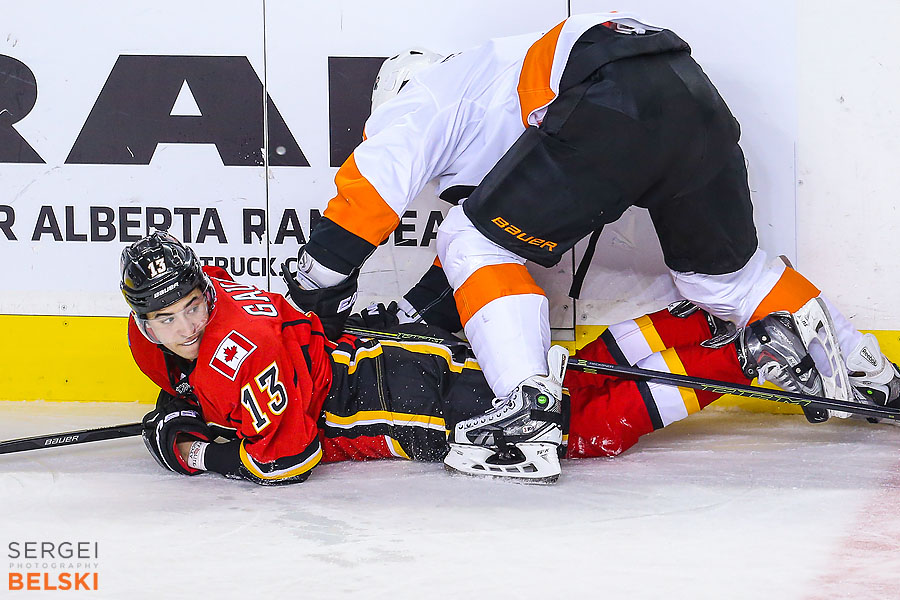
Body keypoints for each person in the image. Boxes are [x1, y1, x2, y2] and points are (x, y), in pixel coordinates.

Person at [280, 13, 900, 480]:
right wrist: (414, 314)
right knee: (724, 279)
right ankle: (865, 370)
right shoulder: (494, 91)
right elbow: (492, 244)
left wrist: (312, 295)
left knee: (469, 237)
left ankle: (525, 424)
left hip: (610, 89)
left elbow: (364, 202)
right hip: (688, 88)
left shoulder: (421, 97)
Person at [122, 232, 897, 485]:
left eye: (189, 307)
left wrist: (189, 444)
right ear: (145, 316)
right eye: (166, 318)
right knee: (563, 383)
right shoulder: (218, 291)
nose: (186, 325)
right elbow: (208, 356)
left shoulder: (229, 356)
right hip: (394, 357)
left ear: (199, 289)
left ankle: (738, 363)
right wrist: (189, 389)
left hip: (401, 406)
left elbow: (284, 460)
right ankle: (704, 326)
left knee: (573, 430)